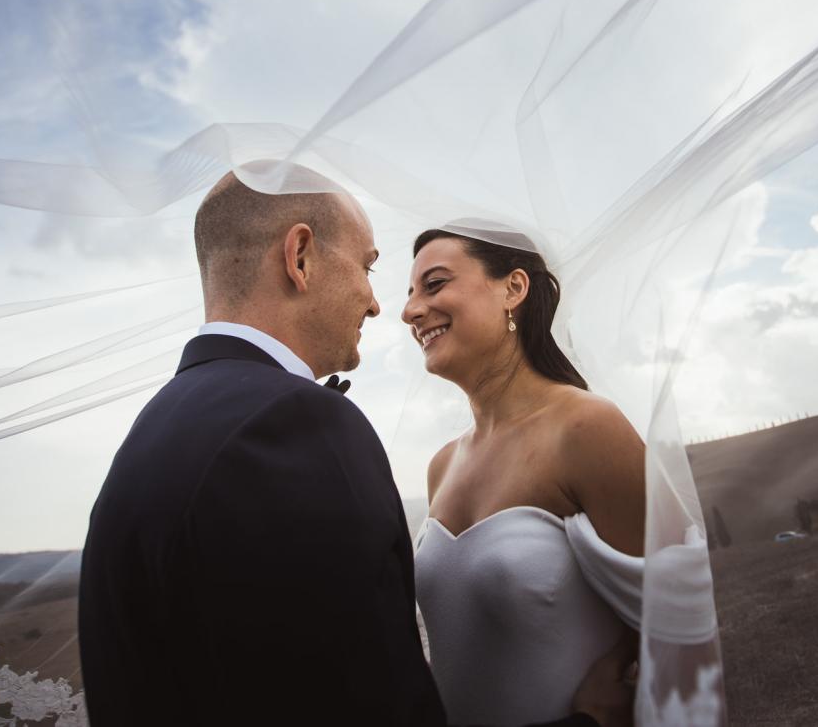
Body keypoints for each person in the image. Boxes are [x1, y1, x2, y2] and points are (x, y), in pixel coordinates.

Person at [78, 170, 633, 727]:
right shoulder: (292, 424)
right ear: (300, 257)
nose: (379, 306)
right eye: (368, 268)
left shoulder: (152, 430)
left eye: (429, 285)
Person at [403, 228, 648, 725]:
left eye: (434, 284)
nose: (410, 311)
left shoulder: (586, 429)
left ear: (513, 288)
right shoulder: (442, 466)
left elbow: (671, 616)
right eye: (410, 295)